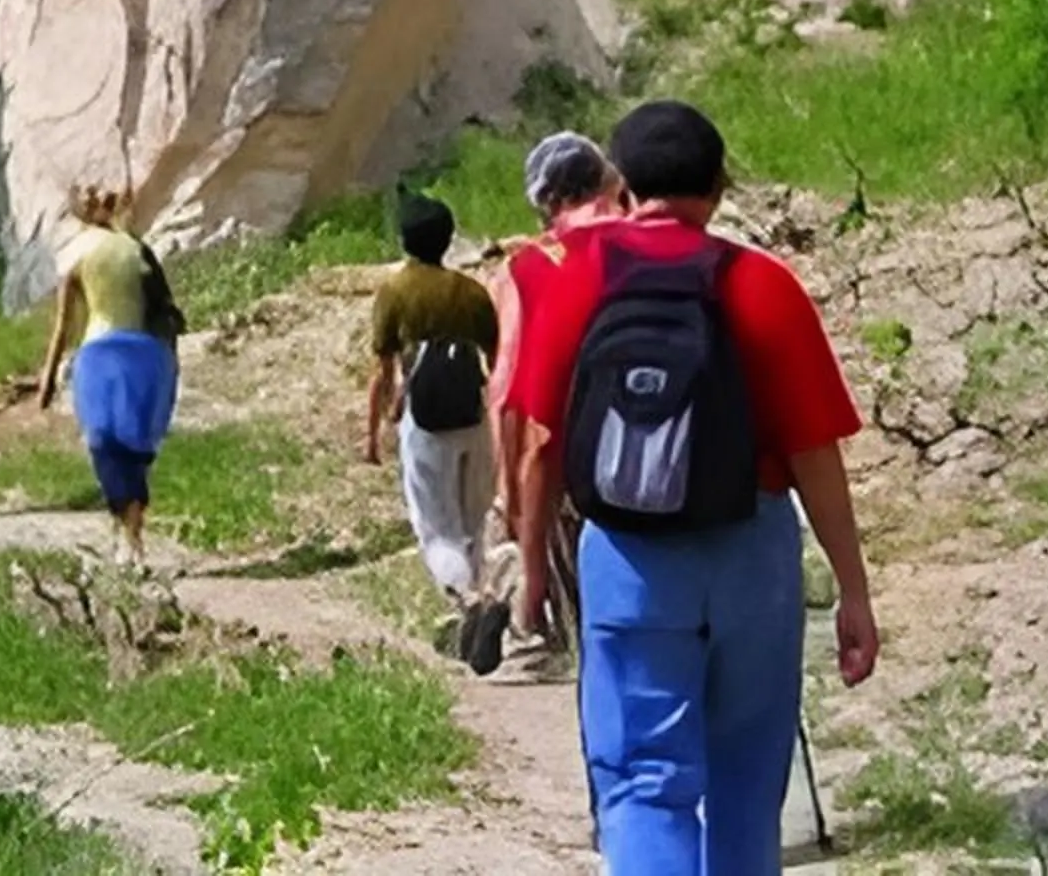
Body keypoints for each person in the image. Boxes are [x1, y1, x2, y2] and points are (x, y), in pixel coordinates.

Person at [508, 101, 880, 876]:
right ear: (718, 187)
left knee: (643, 782)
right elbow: (814, 456)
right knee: (747, 782)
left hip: (628, 561)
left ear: (623, 187)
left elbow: (540, 446)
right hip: (752, 556)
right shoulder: (764, 285)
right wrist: (853, 590)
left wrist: (534, 572)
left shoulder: (580, 280)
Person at [494, 131, 626, 655]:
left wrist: (512, 498)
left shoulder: (529, 267)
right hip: (673, 464)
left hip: (573, 469)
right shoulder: (657, 242)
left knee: (591, 637)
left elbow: (510, 394)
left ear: (547, 201)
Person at [368, 189, 508, 672]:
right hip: (473, 415)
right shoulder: (470, 292)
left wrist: (374, 433)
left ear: (404, 240)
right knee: (473, 522)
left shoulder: (396, 291)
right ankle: (480, 606)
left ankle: (473, 602)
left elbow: (383, 370)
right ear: (448, 239)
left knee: (435, 528)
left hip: (424, 420)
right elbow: (496, 359)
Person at [35, 185, 182, 566]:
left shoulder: (86, 254)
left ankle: (127, 530)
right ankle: (129, 529)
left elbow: (63, 326)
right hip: (135, 355)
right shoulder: (133, 249)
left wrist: (48, 378)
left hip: (108, 356)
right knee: (127, 444)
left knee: (110, 443)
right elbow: (164, 311)